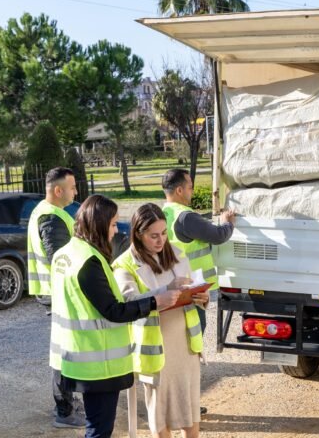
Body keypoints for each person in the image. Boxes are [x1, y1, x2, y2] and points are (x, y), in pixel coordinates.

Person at [50, 195, 181, 438]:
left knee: (95, 426)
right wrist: (155, 302)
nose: (114, 231)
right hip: (99, 364)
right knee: (99, 431)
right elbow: (113, 310)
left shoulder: (66, 254)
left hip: (75, 356)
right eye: (112, 224)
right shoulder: (89, 261)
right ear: (98, 224)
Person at [113, 203, 207, 438]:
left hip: (185, 345)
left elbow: (191, 288)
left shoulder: (176, 253)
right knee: (159, 409)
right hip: (156, 350)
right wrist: (165, 290)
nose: (161, 240)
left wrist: (201, 298)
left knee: (190, 406)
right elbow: (128, 302)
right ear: (138, 233)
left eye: (164, 233)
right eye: (154, 235)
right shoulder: (124, 264)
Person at [161, 169, 235, 416]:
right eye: (191, 187)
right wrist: (228, 223)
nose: (193, 191)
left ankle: (176, 403)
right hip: (193, 294)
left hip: (173, 291)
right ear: (180, 190)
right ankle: (186, 405)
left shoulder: (164, 214)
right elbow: (217, 236)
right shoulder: (185, 217)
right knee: (189, 352)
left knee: (174, 352)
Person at [26, 166, 84, 428]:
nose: (76, 191)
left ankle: (67, 405)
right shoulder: (51, 217)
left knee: (66, 349)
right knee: (65, 351)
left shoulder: (45, 211)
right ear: (58, 190)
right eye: (72, 187)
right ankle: (64, 411)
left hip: (53, 291)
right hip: (57, 293)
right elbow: (60, 258)